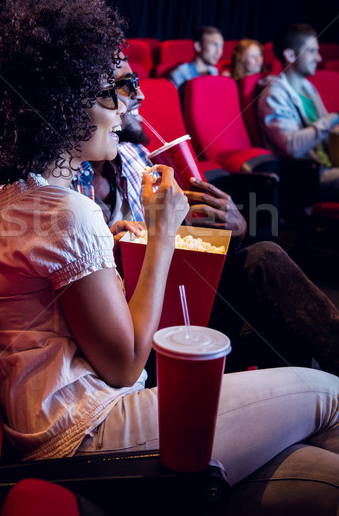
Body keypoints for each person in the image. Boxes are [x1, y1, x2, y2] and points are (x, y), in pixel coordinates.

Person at [0, 0, 339, 515]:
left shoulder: (16, 196)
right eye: (113, 91)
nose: (128, 105)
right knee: (330, 393)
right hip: (89, 433)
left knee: (326, 473)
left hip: (69, 422)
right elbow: (123, 367)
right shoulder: (65, 211)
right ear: (63, 103)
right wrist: (160, 234)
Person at [73, 56, 339, 377]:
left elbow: (175, 234)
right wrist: (110, 251)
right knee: (272, 298)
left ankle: (303, 400)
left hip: (177, 298)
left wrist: (230, 226)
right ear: (78, 99)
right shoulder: (59, 182)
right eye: (125, 86)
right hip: (129, 331)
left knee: (266, 271)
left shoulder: (133, 154)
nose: (139, 97)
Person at [257, 23, 339, 201]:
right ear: (290, 55)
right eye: (311, 51)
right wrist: (334, 118)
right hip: (305, 177)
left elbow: (328, 130)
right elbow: (291, 146)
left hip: (329, 165)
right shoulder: (274, 95)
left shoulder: (307, 87)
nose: (318, 58)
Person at [169, 25, 224, 93]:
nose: (219, 51)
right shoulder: (179, 74)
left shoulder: (214, 71)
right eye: (214, 45)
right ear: (198, 46)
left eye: (221, 46)